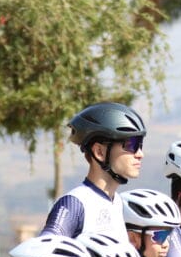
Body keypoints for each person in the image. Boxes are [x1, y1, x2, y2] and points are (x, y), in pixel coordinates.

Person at [40, 102, 146, 241]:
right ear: (99, 152)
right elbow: (44, 251)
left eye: (140, 144)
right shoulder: (75, 204)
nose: (140, 154)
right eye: (131, 145)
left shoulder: (118, 202)